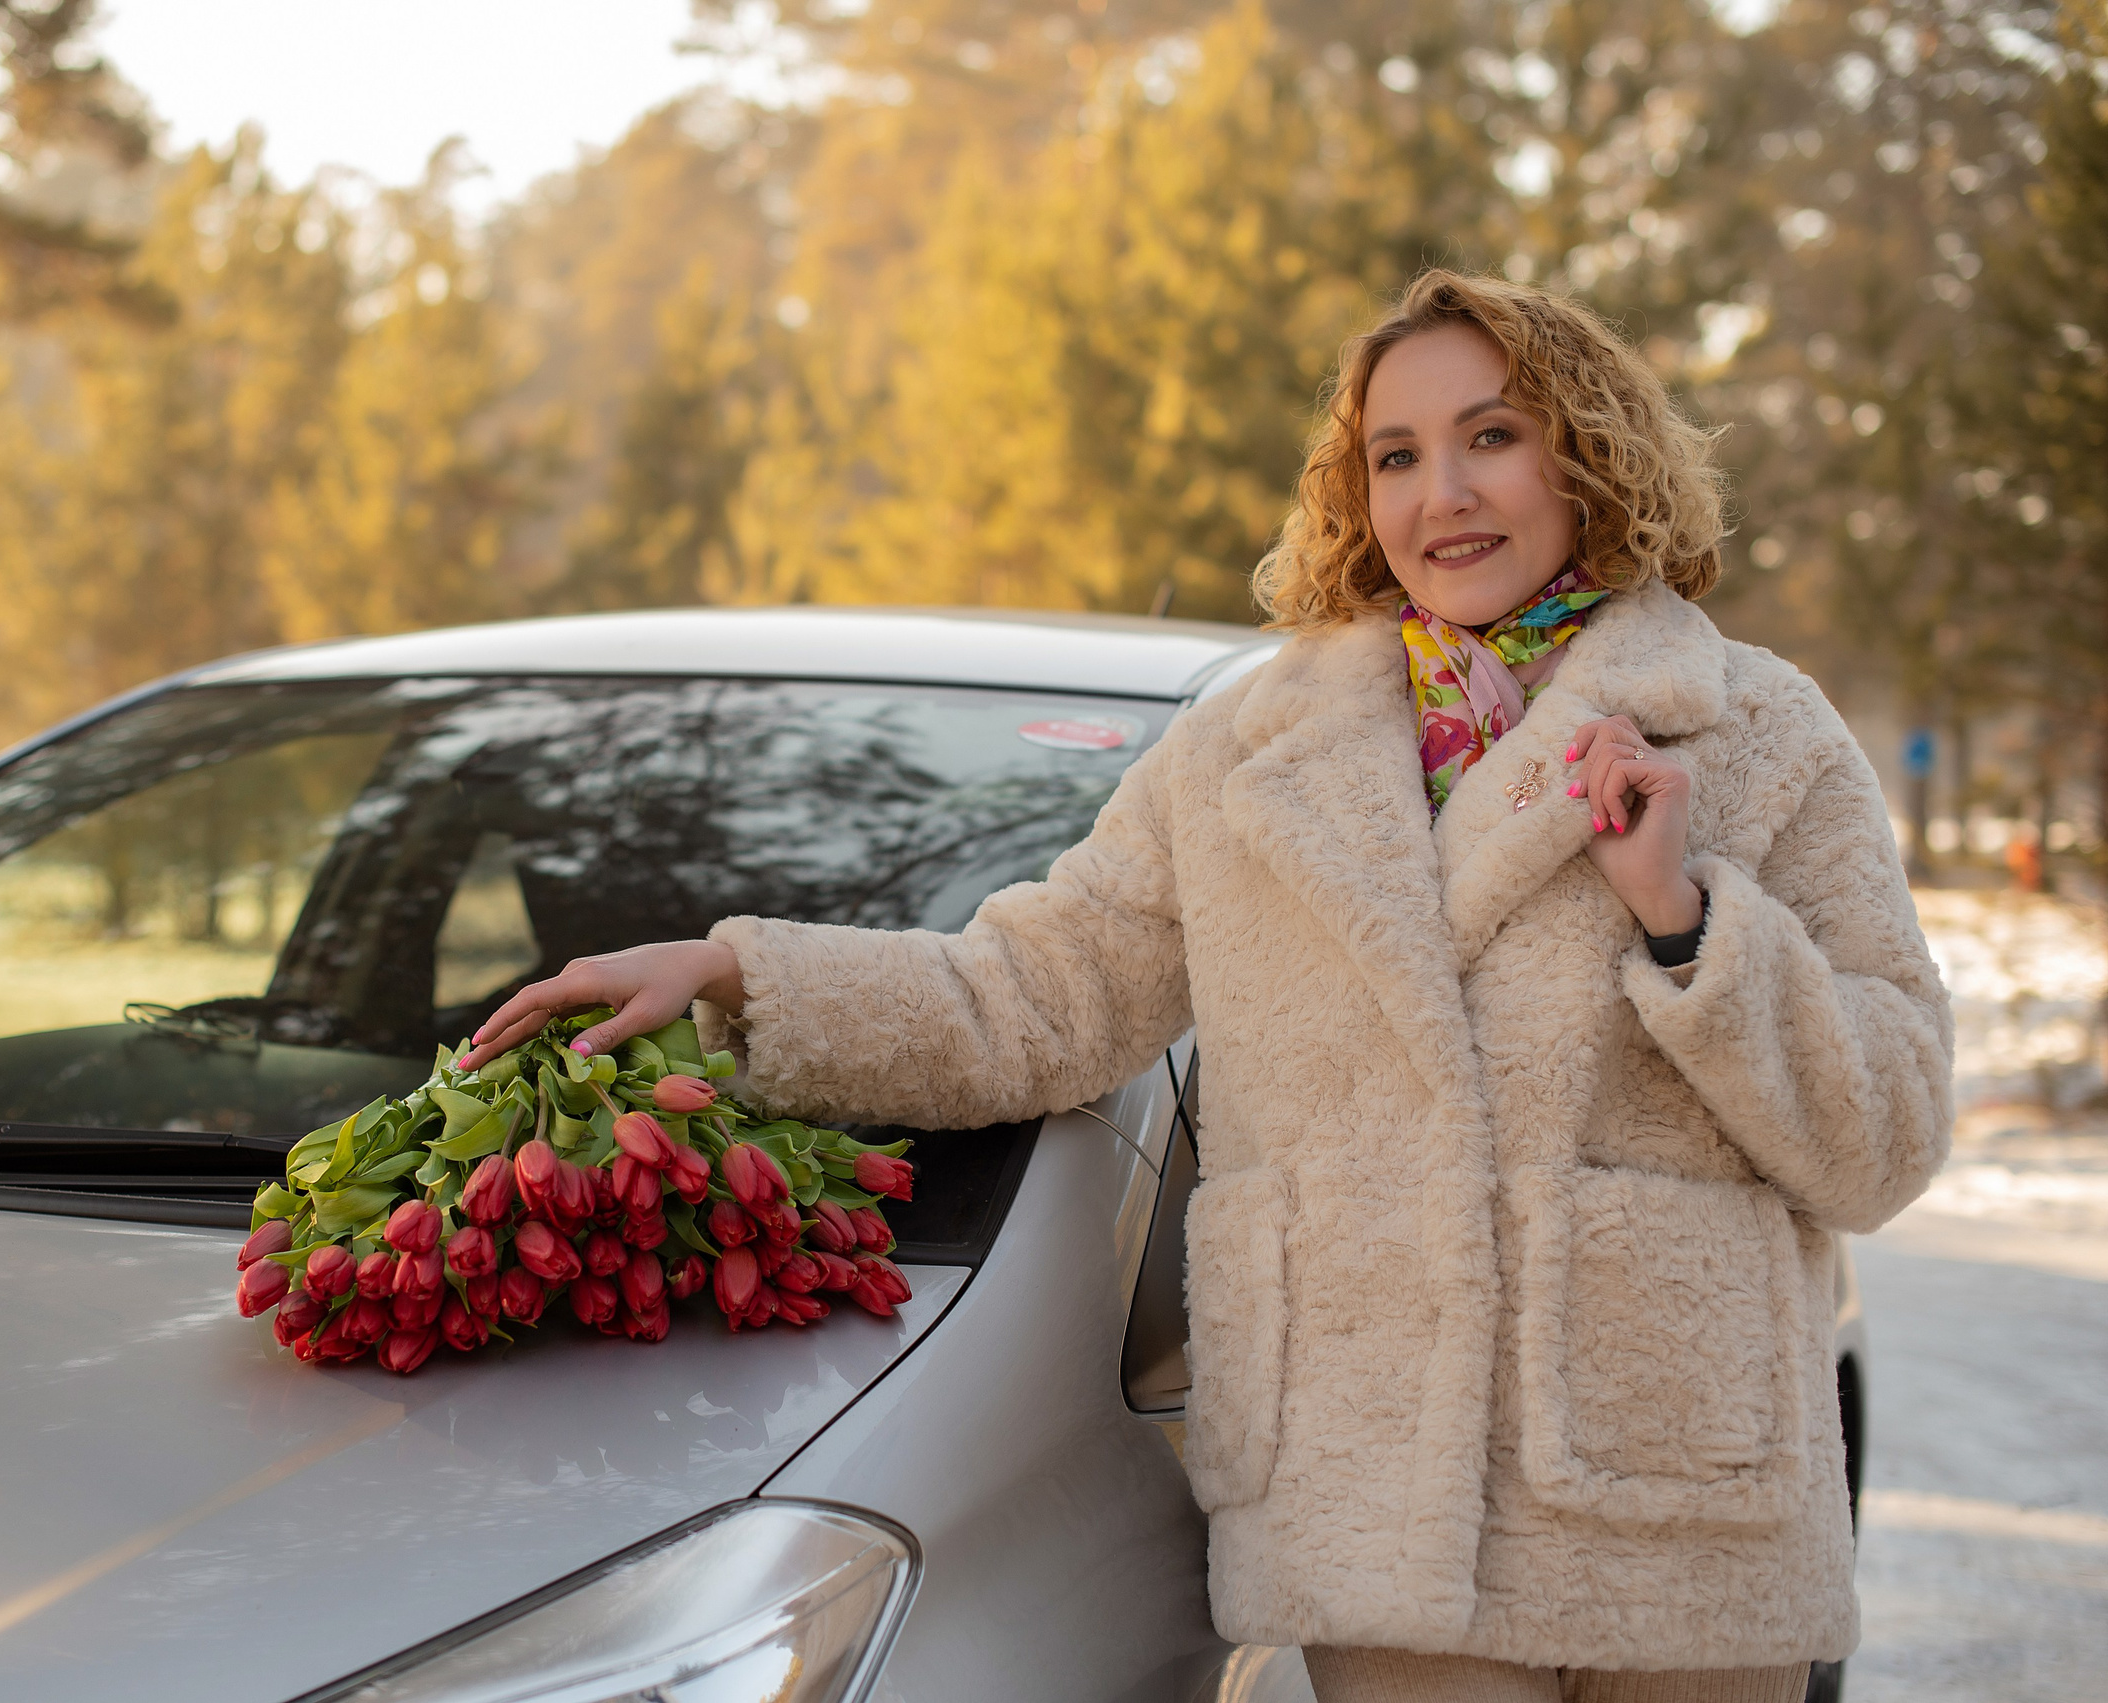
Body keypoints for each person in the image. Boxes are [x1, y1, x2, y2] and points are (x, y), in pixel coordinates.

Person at [460, 270, 1954, 1702]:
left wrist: (1691, 922)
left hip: (1680, 1489)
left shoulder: (1757, 731)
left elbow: (1885, 1135)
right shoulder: (1251, 752)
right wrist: (738, 971)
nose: (1444, 494)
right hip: (1379, 1489)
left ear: (1588, 452)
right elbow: (1034, 995)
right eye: (1397, 453)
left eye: (1492, 435)